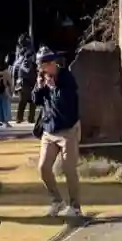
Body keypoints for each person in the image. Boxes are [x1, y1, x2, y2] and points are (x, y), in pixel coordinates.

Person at [33, 46, 83, 222]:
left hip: (68, 129)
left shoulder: (66, 78)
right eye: (40, 65)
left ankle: (75, 206)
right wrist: (39, 88)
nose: (42, 68)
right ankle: (57, 200)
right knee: (43, 168)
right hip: (49, 129)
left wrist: (53, 88)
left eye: (44, 64)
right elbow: (36, 100)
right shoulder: (42, 78)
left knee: (69, 169)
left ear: (52, 63)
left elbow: (66, 105)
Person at [12, 40, 38, 126]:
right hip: (26, 85)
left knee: (25, 102)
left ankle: (23, 118)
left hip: (25, 85)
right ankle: (27, 118)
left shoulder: (24, 63)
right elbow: (29, 72)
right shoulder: (28, 63)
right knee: (28, 102)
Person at [0, 55, 12, 129]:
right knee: (6, 106)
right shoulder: (6, 72)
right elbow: (10, 83)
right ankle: (6, 122)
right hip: (4, 91)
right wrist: (11, 91)